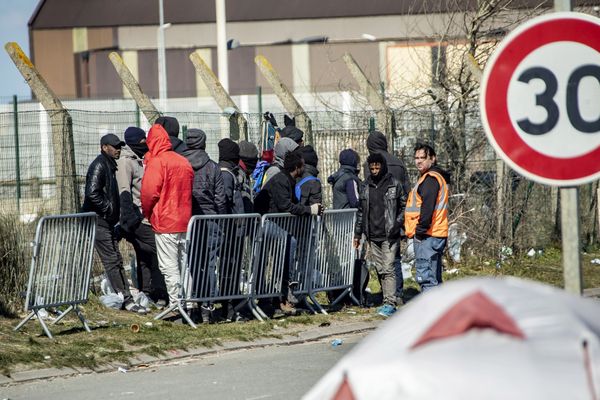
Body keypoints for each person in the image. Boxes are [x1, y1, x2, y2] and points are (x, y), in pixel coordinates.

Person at [82, 133, 147, 314]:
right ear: (104, 147)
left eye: (119, 146)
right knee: (112, 260)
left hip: (105, 221)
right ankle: (126, 299)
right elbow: (92, 193)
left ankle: (125, 297)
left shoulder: (110, 165)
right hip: (97, 220)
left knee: (116, 259)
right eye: (114, 146)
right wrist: (109, 209)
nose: (118, 149)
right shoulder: (100, 165)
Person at [254, 149, 323, 314]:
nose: (304, 169)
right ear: (297, 167)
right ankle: (283, 292)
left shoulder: (289, 180)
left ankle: (281, 294)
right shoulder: (281, 180)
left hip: (274, 222)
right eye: (303, 166)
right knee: (289, 243)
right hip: (265, 222)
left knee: (288, 244)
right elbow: (285, 206)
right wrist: (309, 209)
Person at [141, 124, 194, 310]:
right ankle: (189, 303)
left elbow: (148, 193)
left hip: (165, 220)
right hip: (185, 220)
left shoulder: (157, 162)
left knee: (169, 266)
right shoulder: (183, 161)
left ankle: (176, 305)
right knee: (184, 265)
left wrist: (147, 213)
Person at [115, 127, 167, 308]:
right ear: (134, 142)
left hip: (144, 216)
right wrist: (130, 220)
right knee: (156, 250)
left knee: (144, 255)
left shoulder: (138, 160)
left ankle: (147, 293)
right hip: (136, 218)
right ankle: (159, 292)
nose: (145, 144)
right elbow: (124, 191)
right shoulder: (125, 162)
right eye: (142, 141)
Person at [354, 153, 407, 317]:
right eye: (372, 168)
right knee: (381, 269)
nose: (375, 170)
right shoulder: (366, 186)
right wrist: (358, 233)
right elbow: (361, 212)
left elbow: (404, 206)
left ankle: (390, 302)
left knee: (389, 267)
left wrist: (397, 224)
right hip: (373, 234)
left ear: (383, 166)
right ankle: (386, 299)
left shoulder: (394, 184)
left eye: (377, 167)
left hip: (389, 234)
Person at [182, 128, 226, 323]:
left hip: (187, 220)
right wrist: (223, 219)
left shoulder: (180, 164)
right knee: (209, 264)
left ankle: (193, 305)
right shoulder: (212, 167)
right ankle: (208, 306)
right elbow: (220, 198)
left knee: (191, 264)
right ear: (203, 142)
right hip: (211, 220)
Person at [365, 131, 410, 304]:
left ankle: (387, 294)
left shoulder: (370, 163)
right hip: (397, 217)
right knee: (394, 257)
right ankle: (397, 293)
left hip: (378, 219)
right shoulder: (398, 163)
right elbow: (407, 191)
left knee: (383, 262)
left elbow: (367, 190)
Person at [404, 143, 450, 292]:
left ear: (433, 159)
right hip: (437, 233)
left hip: (427, 235)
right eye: (416, 158)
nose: (418, 161)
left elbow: (427, 208)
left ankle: (430, 313)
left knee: (427, 279)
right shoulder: (436, 177)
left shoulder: (430, 179)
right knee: (435, 279)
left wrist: (420, 231)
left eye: (422, 158)